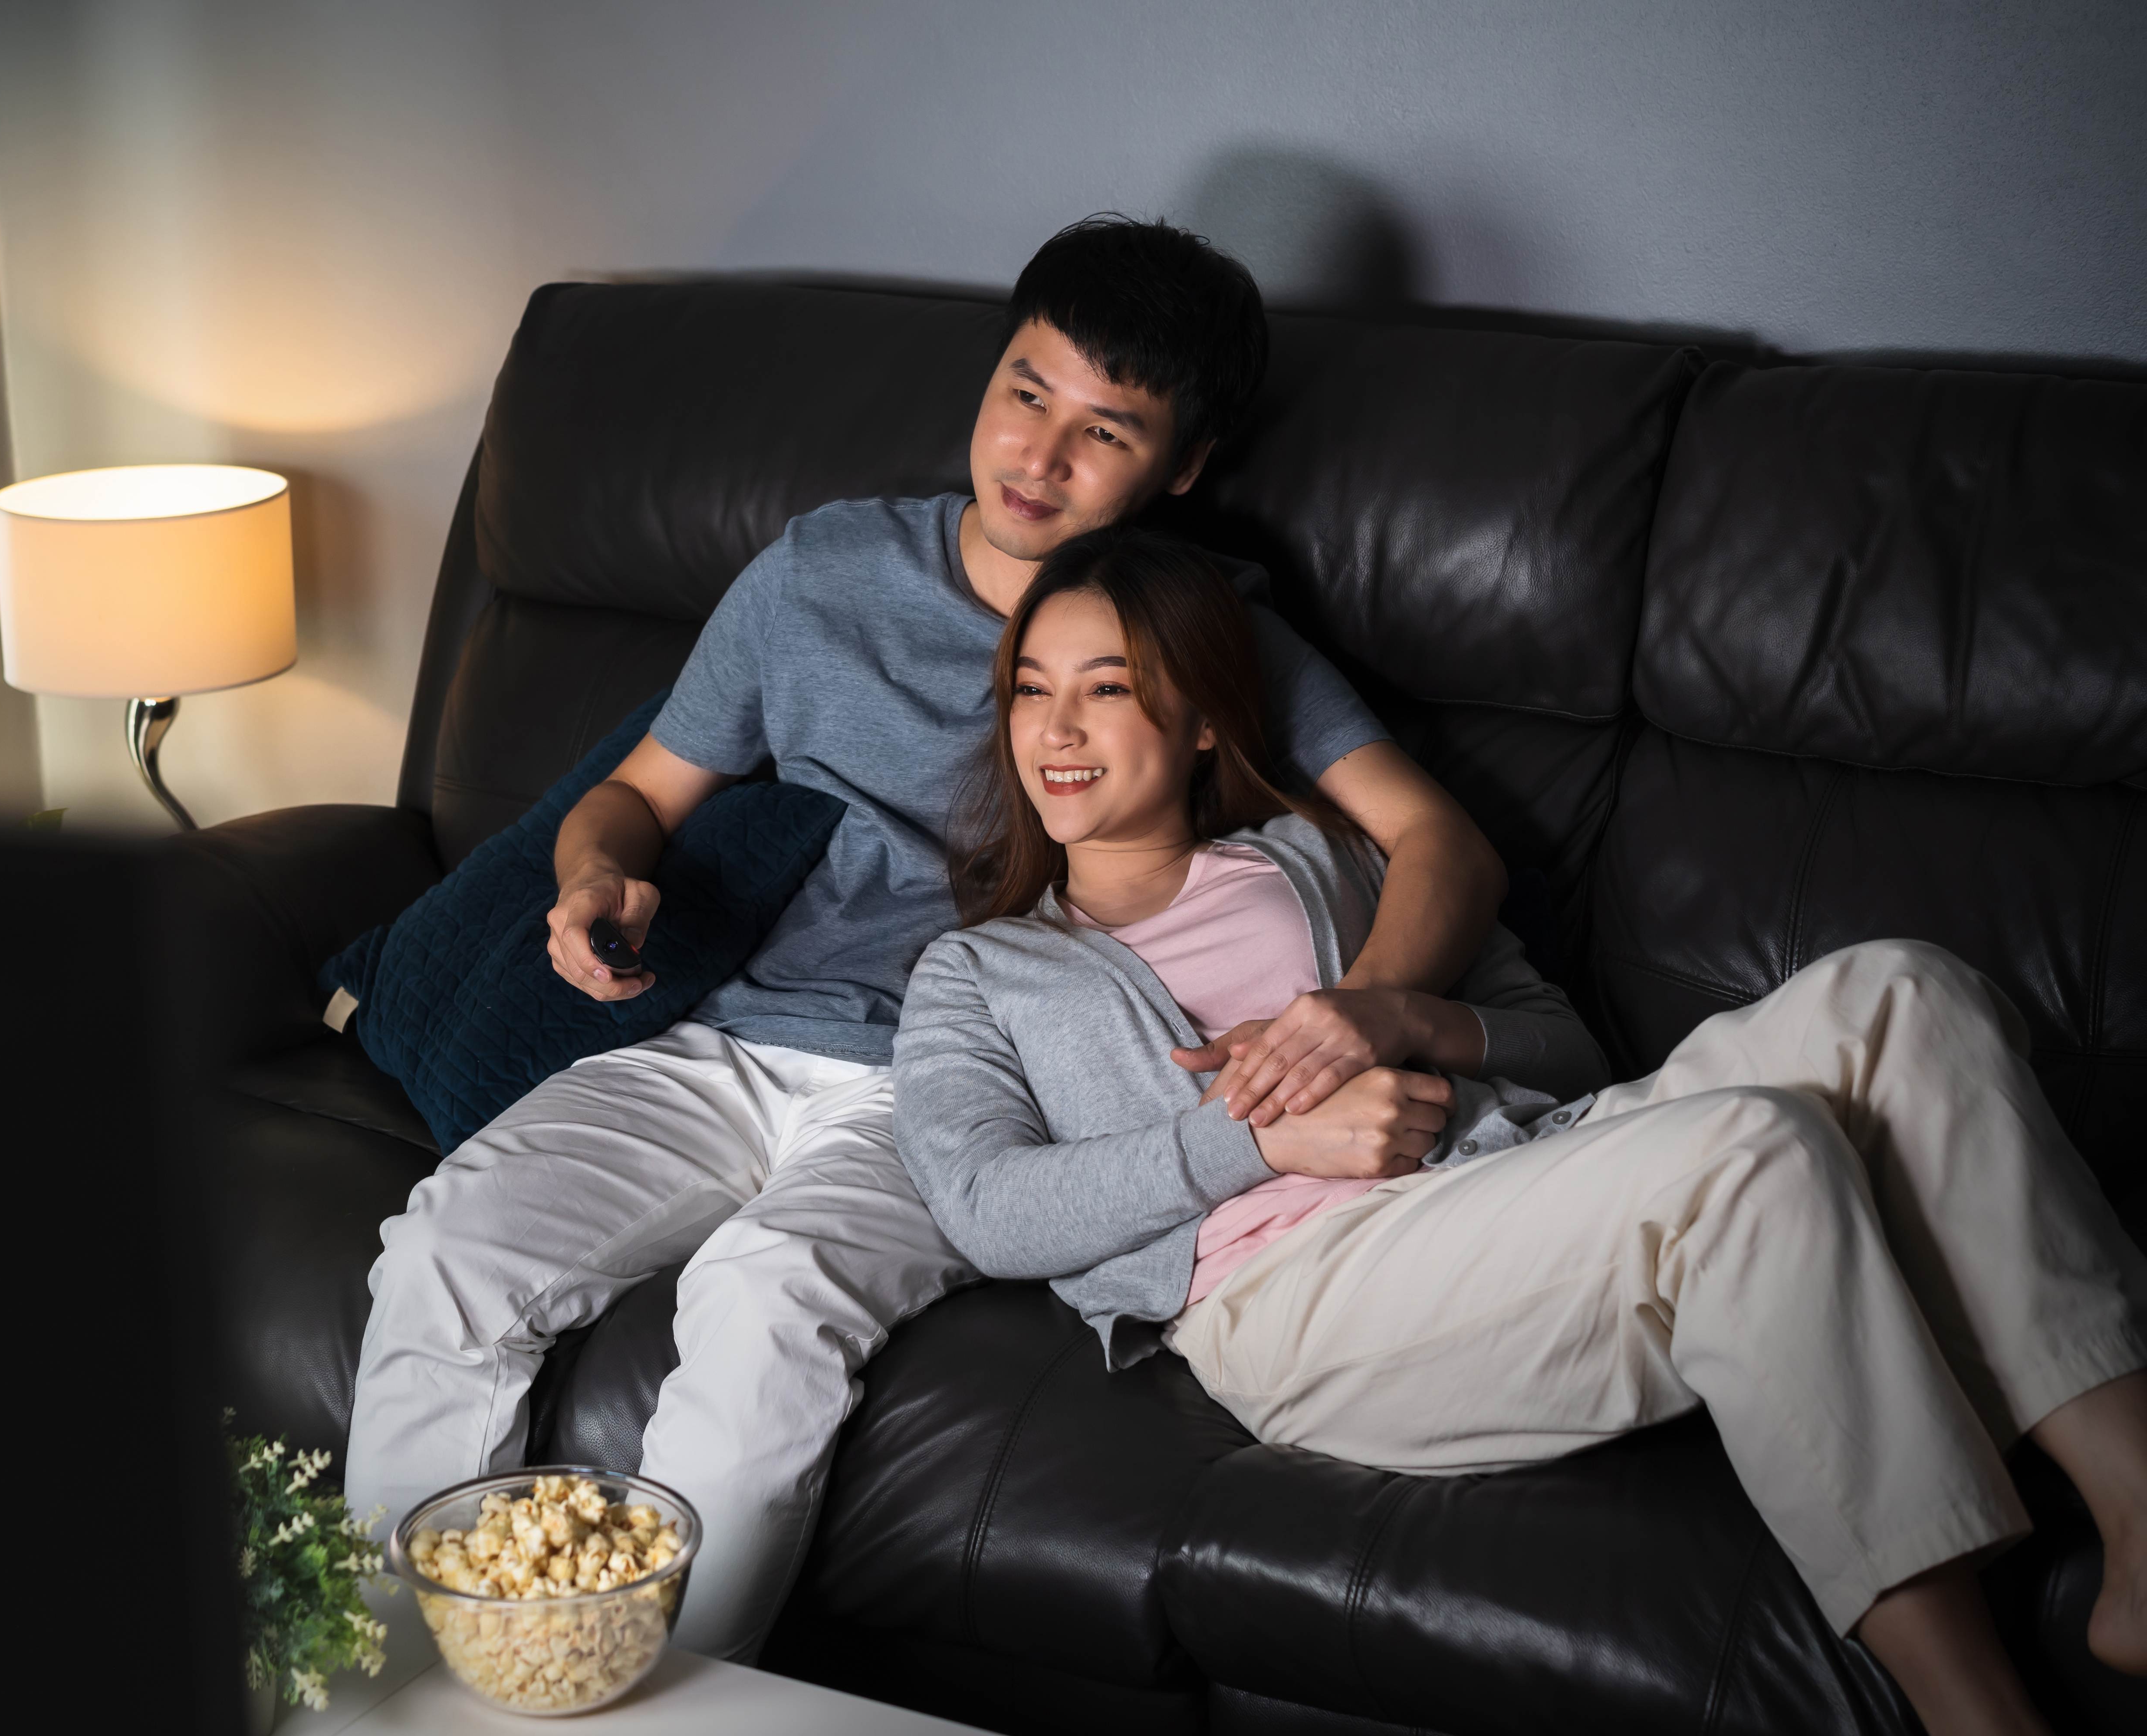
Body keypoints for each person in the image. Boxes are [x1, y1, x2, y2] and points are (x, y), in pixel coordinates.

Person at [342, 216, 1515, 1661]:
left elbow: (1443, 839)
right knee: (445, 1251)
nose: (1041, 457)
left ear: (1182, 471)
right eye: (1026, 393)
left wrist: (1374, 1004)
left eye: (1106, 431)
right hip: (724, 1043)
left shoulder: (1198, 634)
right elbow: (635, 800)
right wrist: (596, 883)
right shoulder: (818, 574)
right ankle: (392, 1680)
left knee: (764, 1302)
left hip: (961, 1086)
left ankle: (665, 1705)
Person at [890, 523, 2147, 1736]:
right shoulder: (981, 973)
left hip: (1520, 1168)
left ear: (1204, 716)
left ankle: (2141, 1533)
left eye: (1106, 688)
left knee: (1906, 999)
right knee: (1754, 1157)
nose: (1056, 729)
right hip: (1295, 1290)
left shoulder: (1326, 859)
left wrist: (1401, 1018)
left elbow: (1563, 1046)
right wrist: (1264, 1145)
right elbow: (989, 1207)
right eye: (1030, 691)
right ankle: (1976, 1714)